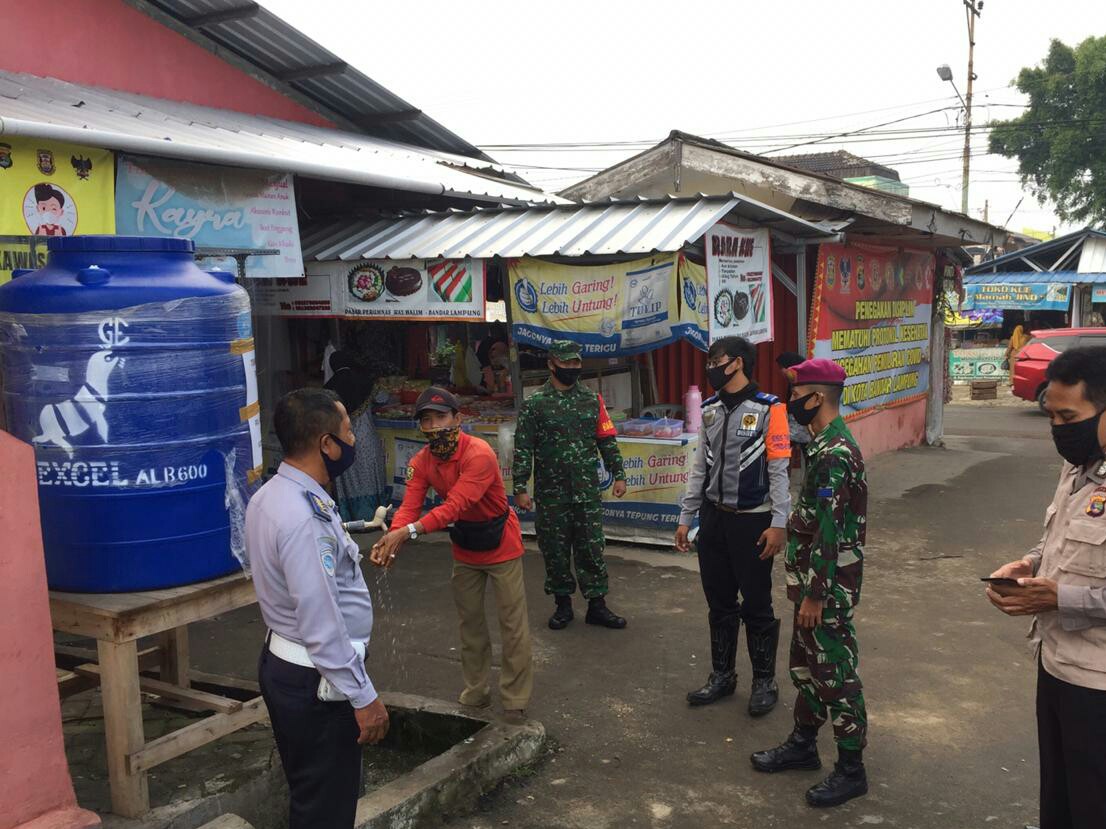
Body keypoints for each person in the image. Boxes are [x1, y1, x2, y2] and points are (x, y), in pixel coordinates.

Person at [246, 388, 389, 829]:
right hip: (317, 681)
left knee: (311, 795)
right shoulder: (302, 517)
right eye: (348, 432)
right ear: (326, 444)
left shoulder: (273, 494)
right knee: (326, 809)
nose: (354, 441)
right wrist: (363, 696)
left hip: (289, 667)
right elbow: (322, 622)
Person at [987, 346, 1106, 829]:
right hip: (1055, 664)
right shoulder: (1079, 468)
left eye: (1069, 416)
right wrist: (1029, 563)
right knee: (1060, 799)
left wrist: (1061, 598)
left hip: (1099, 684)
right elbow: (1058, 539)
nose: (1058, 427)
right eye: (1051, 415)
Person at [370, 387, 533, 719]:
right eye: (427, 420)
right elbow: (409, 506)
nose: (434, 426)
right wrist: (392, 538)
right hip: (465, 546)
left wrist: (410, 531)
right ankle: (476, 691)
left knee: (512, 625)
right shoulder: (422, 462)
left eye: (441, 417)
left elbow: (457, 504)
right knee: (469, 624)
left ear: (458, 419)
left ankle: (515, 699)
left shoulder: (480, 454)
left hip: (501, 542)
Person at [751, 358, 869, 809]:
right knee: (806, 667)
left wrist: (816, 594)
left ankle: (852, 769)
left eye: (797, 395)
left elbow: (830, 530)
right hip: (809, 585)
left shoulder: (836, 453)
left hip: (827, 590)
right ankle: (803, 745)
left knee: (835, 674)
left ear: (817, 398)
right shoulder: (822, 445)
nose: (791, 402)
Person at [675, 336, 791, 715]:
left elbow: (779, 470)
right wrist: (686, 517)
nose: (711, 368)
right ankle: (722, 676)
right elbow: (699, 470)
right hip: (713, 520)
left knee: (757, 603)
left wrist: (779, 522)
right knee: (720, 603)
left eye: (716, 360)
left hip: (753, 521)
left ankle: (764, 681)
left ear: (737, 363)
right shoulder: (708, 409)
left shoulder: (770, 408)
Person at [512, 340, 628, 630]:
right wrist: (520, 487)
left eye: (577, 363)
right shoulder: (535, 404)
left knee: (591, 549)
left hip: (586, 491)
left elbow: (606, 439)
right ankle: (563, 606)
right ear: (552, 364)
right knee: (555, 550)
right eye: (567, 363)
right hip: (552, 494)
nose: (573, 369)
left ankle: (597, 606)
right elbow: (523, 446)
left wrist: (619, 473)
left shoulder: (592, 401)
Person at [325, 351, 389, 522]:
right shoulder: (365, 382)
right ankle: (375, 516)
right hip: (366, 436)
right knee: (369, 474)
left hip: (342, 438)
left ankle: (350, 517)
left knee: (348, 475)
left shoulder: (328, 389)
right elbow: (384, 398)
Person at [777, 352, 813, 451]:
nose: (781, 371)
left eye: (782, 367)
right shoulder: (794, 380)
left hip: (803, 426)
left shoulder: (802, 382)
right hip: (796, 426)